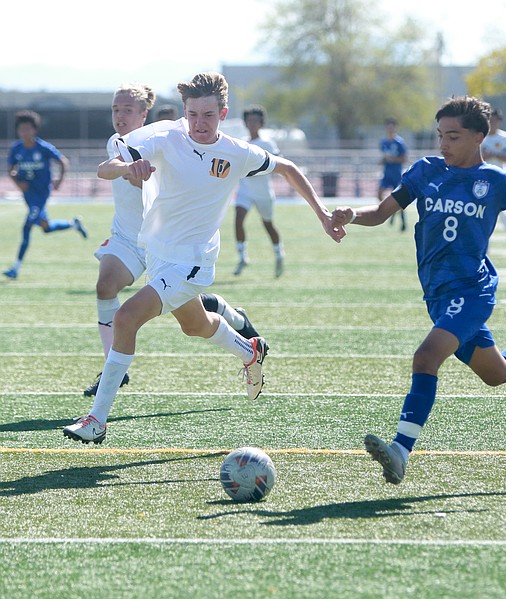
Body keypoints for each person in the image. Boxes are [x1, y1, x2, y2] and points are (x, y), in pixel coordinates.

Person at [332, 96, 506, 485]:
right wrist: (351, 216)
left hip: (473, 290)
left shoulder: (496, 181)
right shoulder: (425, 171)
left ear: (479, 136)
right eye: (440, 135)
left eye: (453, 136)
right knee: (496, 373)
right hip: (438, 294)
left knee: (426, 357)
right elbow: (381, 213)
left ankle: (400, 450)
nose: (443, 144)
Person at [64, 71, 344, 445]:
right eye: (193, 114)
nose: (199, 123)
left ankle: (97, 419)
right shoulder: (165, 135)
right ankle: (249, 350)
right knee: (194, 325)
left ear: (223, 113)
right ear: (184, 111)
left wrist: (323, 215)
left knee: (126, 317)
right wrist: (128, 167)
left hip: (193, 261)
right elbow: (105, 168)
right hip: (159, 254)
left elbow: (289, 168)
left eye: (208, 115)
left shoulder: (237, 152)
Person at [84, 84, 257, 398]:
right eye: (115, 109)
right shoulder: (116, 143)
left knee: (193, 323)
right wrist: (124, 168)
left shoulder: (164, 142)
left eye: (127, 110)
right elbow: (106, 170)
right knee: (105, 286)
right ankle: (112, 369)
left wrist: (142, 179)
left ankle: (229, 317)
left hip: (163, 242)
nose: (119, 116)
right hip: (126, 237)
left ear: (143, 114)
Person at [3, 110, 87, 279]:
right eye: (21, 129)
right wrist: (18, 183)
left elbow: (63, 161)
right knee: (45, 227)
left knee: (26, 227)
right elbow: (10, 170)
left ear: (35, 130)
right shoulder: (16, 148)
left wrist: (59, 181)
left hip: (40, 195)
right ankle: (73, 224)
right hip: (28, 196)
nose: (24, 133)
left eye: (28, 129)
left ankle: (15, 268)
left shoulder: (43, 147)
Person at [232, 105, 284, 277]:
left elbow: (278, 165)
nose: (252, 123)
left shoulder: (267, 143)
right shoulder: (241, 142)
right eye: (249, 120)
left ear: (261, 123)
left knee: (268, 224)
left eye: (256, 121)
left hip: (263, 192)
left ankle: (278, 254)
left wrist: (257, 170)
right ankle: (242, 257)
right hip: (245, 190)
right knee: (238, 219)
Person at [481, 108, 506, 252]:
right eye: (490, 120)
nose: (492, 123)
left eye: (495, 120)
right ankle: (487, 243)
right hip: (484, 178)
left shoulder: (504, 137)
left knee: (500, 210)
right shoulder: (481, 137)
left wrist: (493, 154)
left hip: (501, 178)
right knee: (484, 211)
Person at [378, 117, 408, 232]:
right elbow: (384, 157)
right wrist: (383, 160)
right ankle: (389, 212)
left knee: (400, 200)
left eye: (392, 126)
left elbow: (404, 159)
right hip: (387, 174)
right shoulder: (384, 143)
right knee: (379, 193)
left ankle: (403, 222)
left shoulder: (399, 143)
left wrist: (392, 159)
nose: (390, 129)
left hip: (396, 174)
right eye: (388, 126)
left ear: (396, 128)